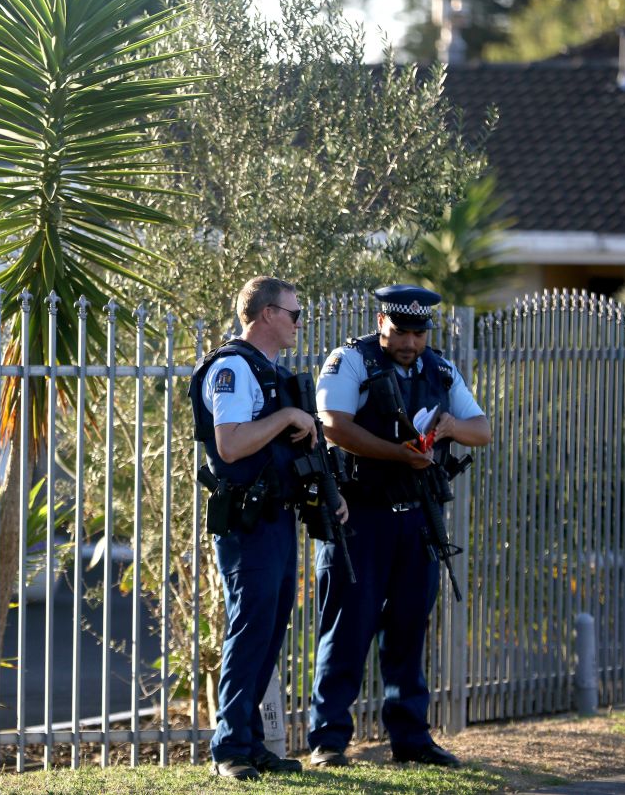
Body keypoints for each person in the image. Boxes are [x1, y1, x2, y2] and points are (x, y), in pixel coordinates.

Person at [306, 284, 491, 768]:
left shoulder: (440, 368)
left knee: (409, 631)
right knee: (346, 629)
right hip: (361, 518)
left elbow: (483, 430)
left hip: (418, 522)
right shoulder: (351, 360)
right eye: (400, 331)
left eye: (418, 332)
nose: (410, 342)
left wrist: (449, 428)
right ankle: (329, 740)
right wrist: (400, 455)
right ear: (381, 321)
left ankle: (411, 738)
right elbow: (333, 424)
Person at [189, 276, 347, 781]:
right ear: (265, 315)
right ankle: (229, 748)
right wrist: (286, 418)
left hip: (276, 518)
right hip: (247, 523)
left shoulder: (269, 371)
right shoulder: (232, 368)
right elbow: (232, 445)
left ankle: (250, 743)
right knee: (250, 630)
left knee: (269, 631)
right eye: (293, 314)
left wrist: (330, 494)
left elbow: (290, 449)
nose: (300, 323)